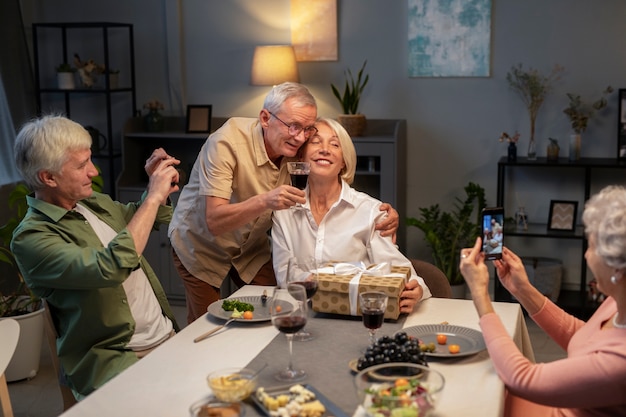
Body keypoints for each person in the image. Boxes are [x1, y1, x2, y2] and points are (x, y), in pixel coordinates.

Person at [169, 83, 399, 323]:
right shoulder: (226, 143)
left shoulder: (294, 151)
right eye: (293, 126)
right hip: (201, 245)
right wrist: (266, 200)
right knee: (208, 323)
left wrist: (381, 214)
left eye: (307, 129)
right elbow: (214, 221)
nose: (300, 137)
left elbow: (330, 186)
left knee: (278, 310)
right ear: (265, 118)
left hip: (250, 248)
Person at [10, 115, 182, 400]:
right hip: (116, 361)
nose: (93, 171)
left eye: (90, 159)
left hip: (167, 336)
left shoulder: (92, 202)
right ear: (48, 177)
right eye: (81, 165)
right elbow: (110, 268)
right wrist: (152, 197)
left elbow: (142, 219)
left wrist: (155, 186)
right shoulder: (31, 238)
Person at [459, 185, 626, 417]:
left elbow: (523, 378)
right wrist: (523, 290)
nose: (587, 255)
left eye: (592, 246)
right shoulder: (618, 302)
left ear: (617, 269)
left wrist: (480, 295)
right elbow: (585, 338)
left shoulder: (620, 361)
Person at [272, 118, 431, 313]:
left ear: (344, 163)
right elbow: (284, 278)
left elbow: (395, 268)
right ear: (300, 158)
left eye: (335, 144)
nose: (325, 149)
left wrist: (418, 289)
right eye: (315, 142)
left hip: (356, 319)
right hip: (300, 314)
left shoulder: (371, 212)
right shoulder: (283, 212)